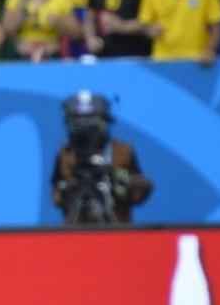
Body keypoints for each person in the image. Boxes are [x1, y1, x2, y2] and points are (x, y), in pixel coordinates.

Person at [51, 91, 153, 225]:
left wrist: (113, 177)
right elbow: (57, 195)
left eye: (91, 123)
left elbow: (141, 191)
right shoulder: (65, 154)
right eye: (77, 123)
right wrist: (71, 188)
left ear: (105, 122)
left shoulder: (122, 151)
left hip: (116, 231)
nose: (85, 130)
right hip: (77, 230)